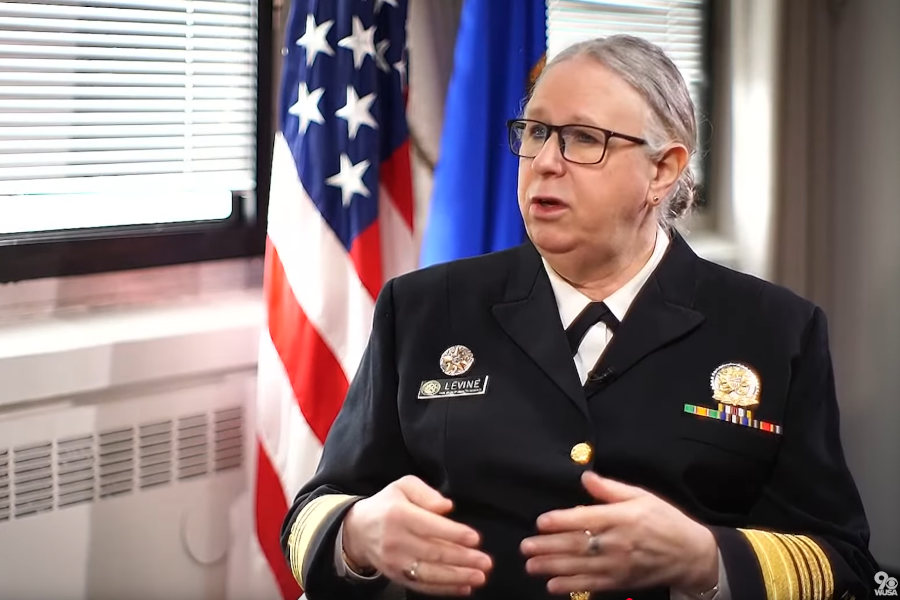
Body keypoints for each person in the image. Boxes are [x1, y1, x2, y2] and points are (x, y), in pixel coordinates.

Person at [280, 35, 878, 600]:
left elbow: (844, 562)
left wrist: (705, 557)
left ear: (662, 171)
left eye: (583, 139)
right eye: (536, 132)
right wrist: (359, 532)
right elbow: (312, 511)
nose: (544, 161)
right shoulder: (423, 308)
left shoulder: (776, 330)